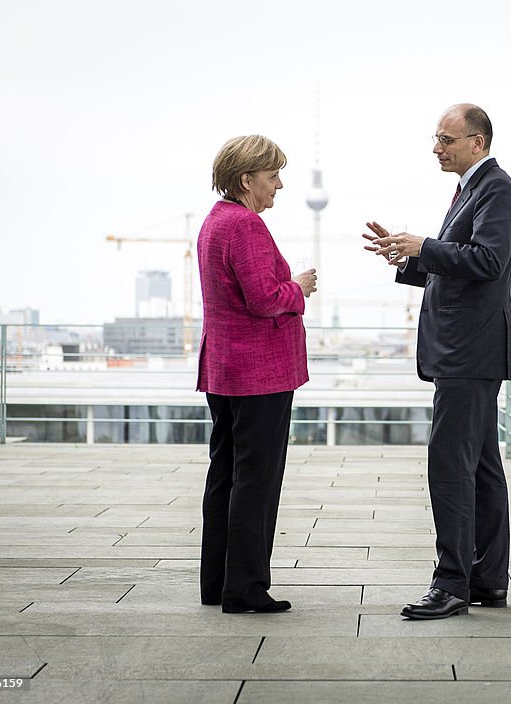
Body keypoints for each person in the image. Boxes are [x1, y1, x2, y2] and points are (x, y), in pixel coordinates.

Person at [363, 104, 511, 619]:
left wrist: (426, 246)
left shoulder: (496, 189)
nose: (437, 148)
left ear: (478, 142)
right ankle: (487, 579)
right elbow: (459, 264)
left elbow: (489, 262)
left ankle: (452, 583)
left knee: (450, 466)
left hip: (468, 351)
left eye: (446, 140)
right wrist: (408, 258)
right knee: (480, 467)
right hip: (466, 350)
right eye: (436, 139)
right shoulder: (471, 190)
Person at [196, 135, 317, 614]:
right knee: (257, 480)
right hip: (260, 373)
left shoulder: (214, 221)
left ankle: (219, 582)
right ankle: (245, 589)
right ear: (247, 180)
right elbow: (264, 299)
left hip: (226, 369)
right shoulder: (245, 225)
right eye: (272, 177)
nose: (279, 185)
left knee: (225, 472)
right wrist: (299, 288)